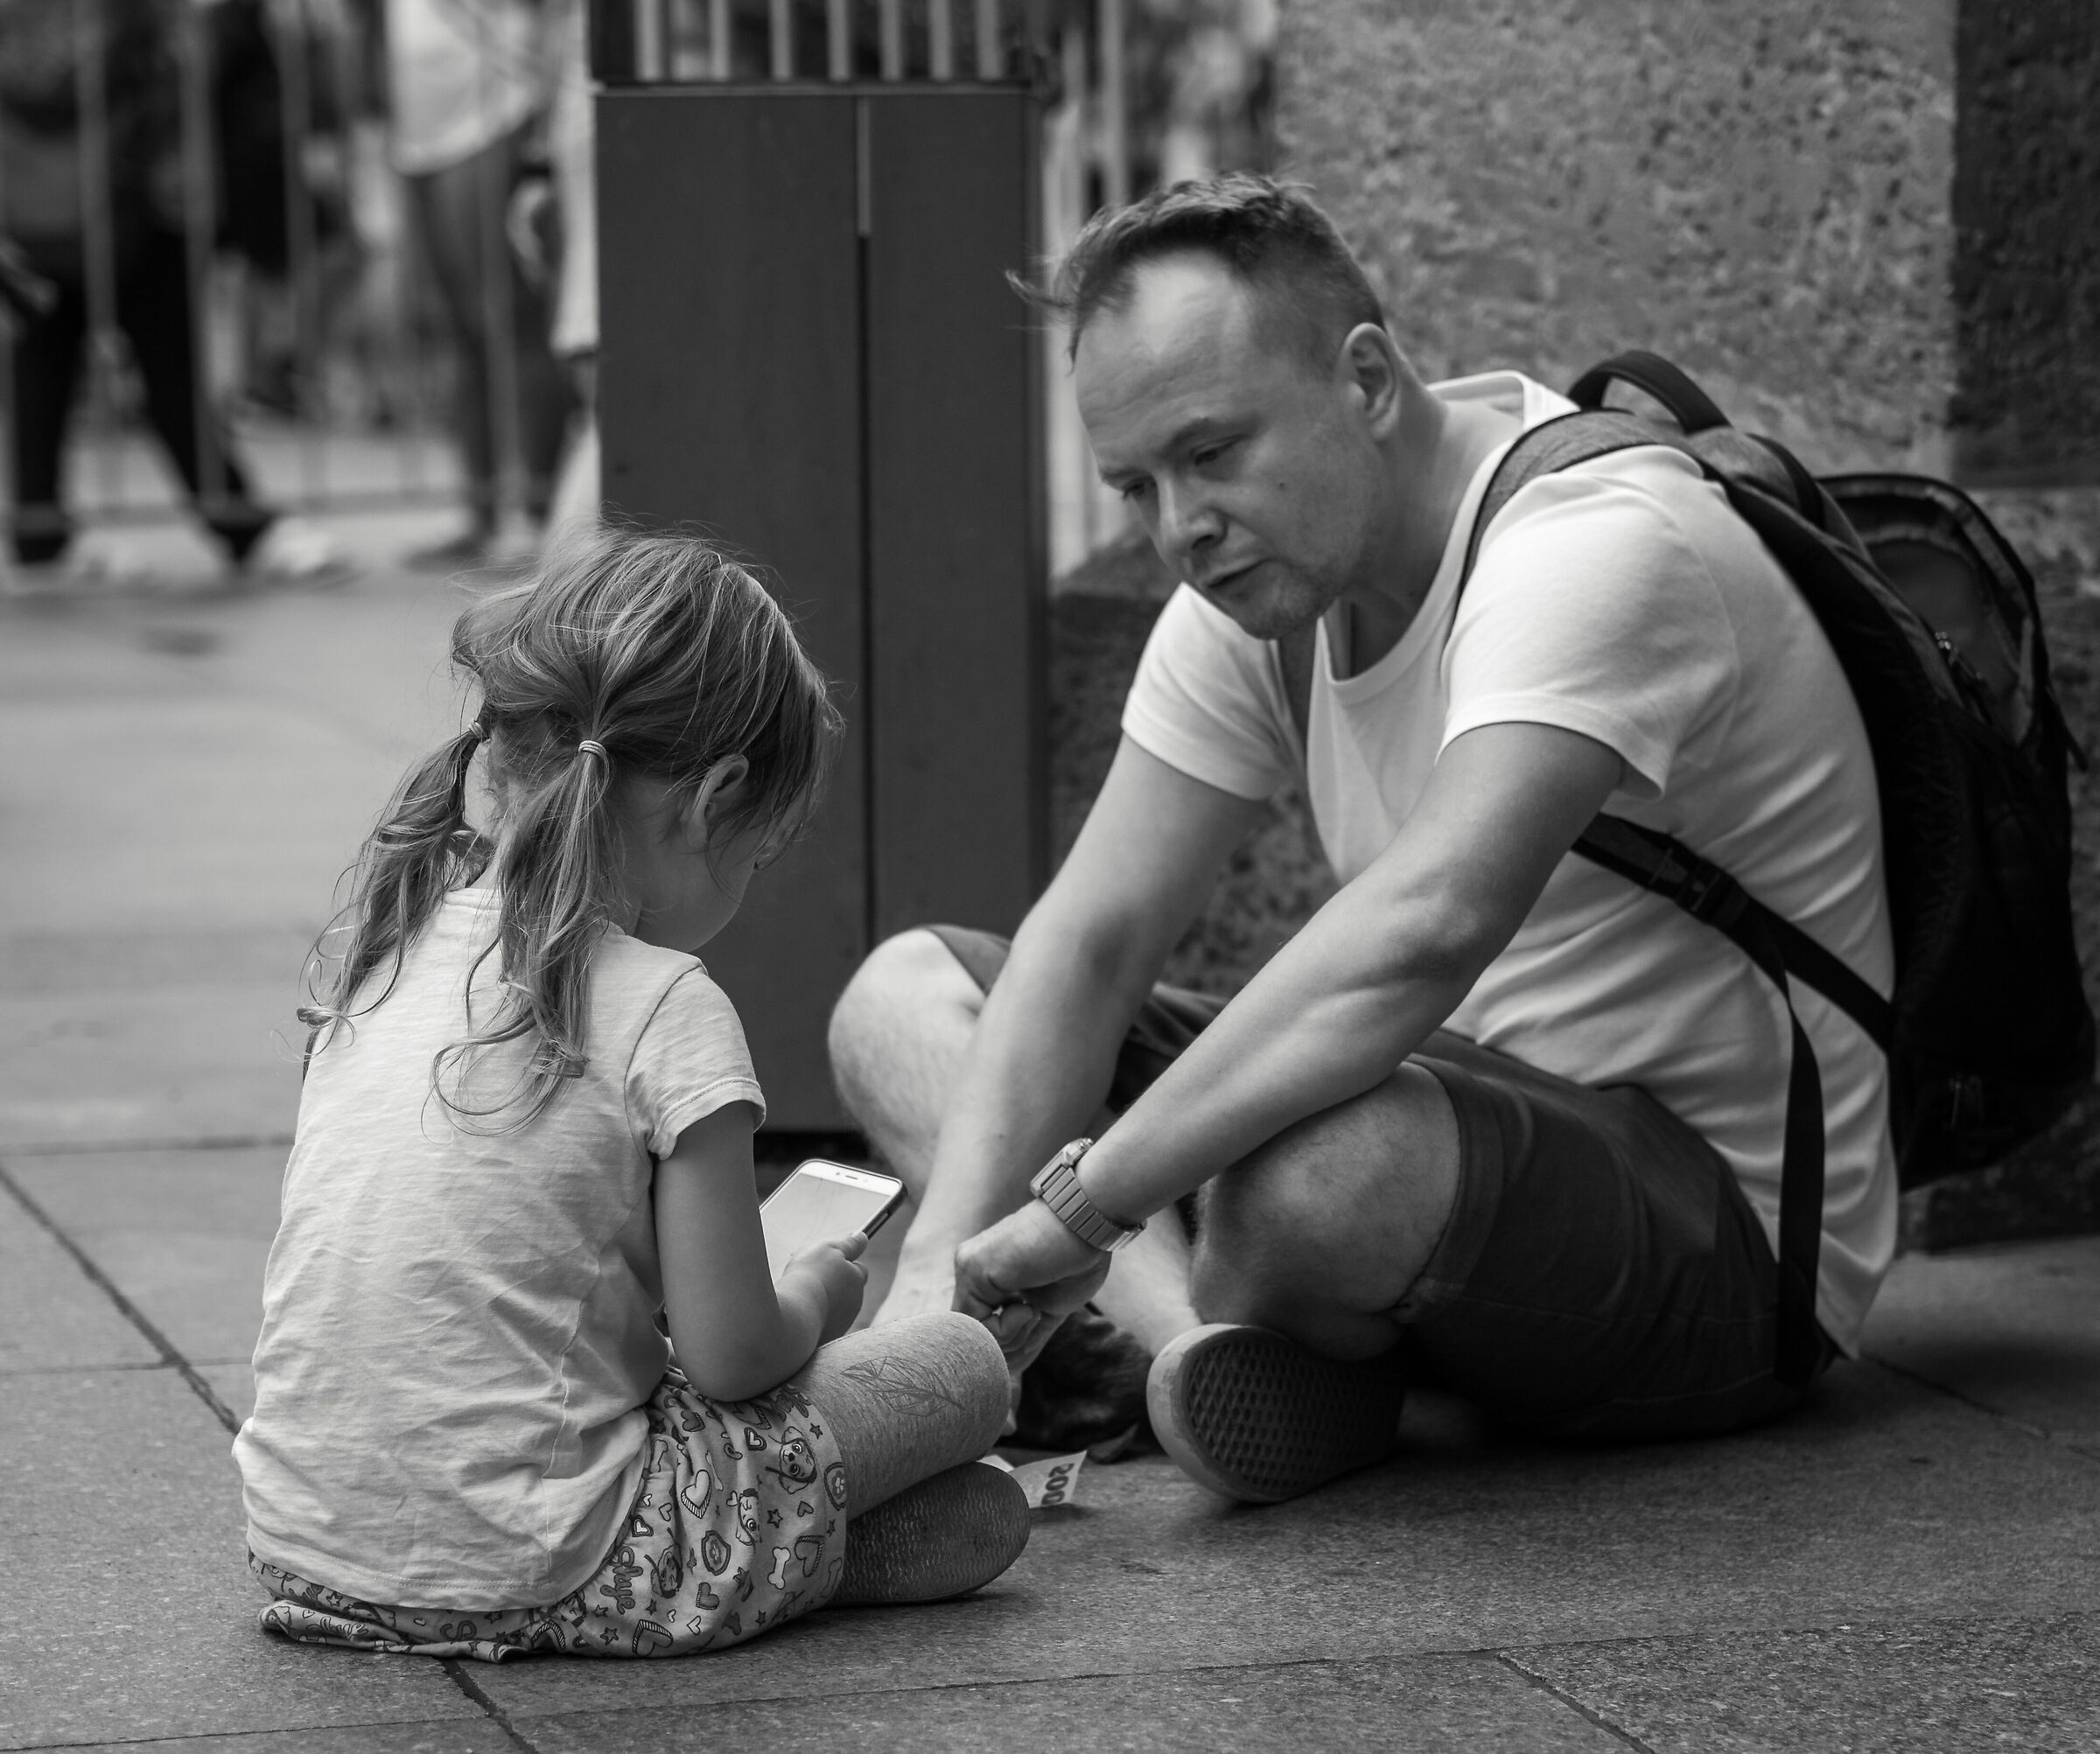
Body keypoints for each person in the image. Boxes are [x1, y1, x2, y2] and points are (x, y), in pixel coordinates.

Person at [829, 176, 1896, 1503]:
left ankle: (1166, 1319)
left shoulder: (1594, 547)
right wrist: (934, 1280)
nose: (1179, 527)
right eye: (1134, 486)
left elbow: (1422, 931)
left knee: (1311, 1172)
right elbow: (1095, 937)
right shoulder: (1262, 592)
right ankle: (1199, 1355)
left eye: (1212, 452)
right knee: (907, 1000)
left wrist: (1082, 1204)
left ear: (1369, 381)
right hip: (1456, 1135)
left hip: (1725, 1242)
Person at [234, 527, 1026, 1661]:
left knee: (971, 1518)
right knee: (961, 1371)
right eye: (758, 859)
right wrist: (813, 1295)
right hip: (556, 1561)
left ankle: (805, 1546)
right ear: (713, 801)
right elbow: (732, 1359)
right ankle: (781, 1548)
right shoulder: (666, 1003)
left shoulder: (387, 949)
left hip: (310, 1549)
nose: (747, 887)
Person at [0, 0, 340, 584]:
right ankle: (242, 525)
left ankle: (39, 533)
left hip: (37, 206)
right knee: (163, 369)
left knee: (45, 364)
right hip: (136, 199)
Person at [383, 0, 576, 567]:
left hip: (491, 108)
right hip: (418, 124)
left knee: (509, 320)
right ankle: (482, 508)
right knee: (457, 329)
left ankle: (539, 509)